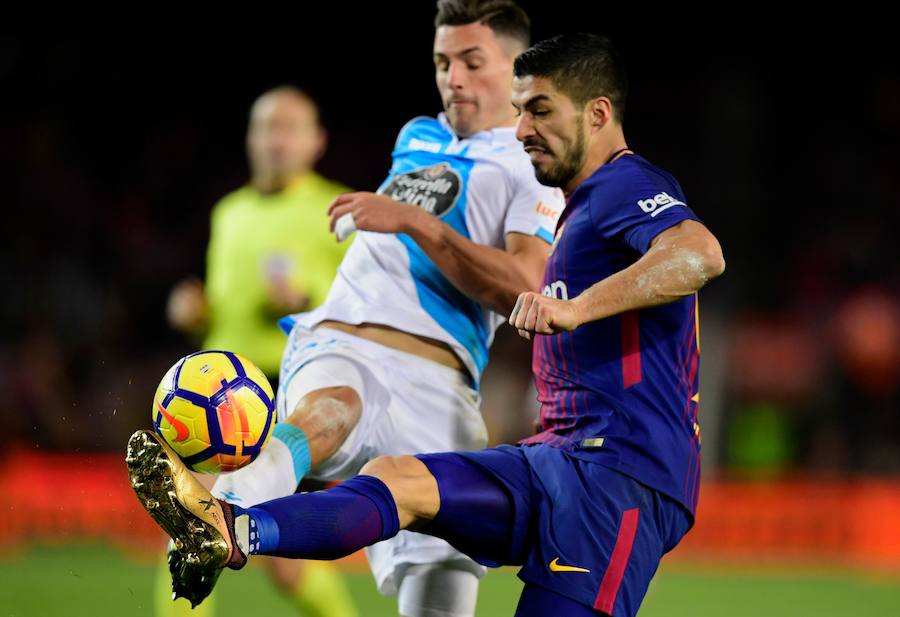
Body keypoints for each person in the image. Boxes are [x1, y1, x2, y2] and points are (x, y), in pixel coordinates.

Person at [129, 32, 726, 616]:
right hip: (556, 459)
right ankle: (233, 530)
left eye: (540, 111)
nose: (521, 130)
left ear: (598, 114)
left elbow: (700, 253)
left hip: (620, 477)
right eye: (519, 112)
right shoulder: (578, 207)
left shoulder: (626, 182)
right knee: (398, 479)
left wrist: (575, 307)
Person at [154, 2, 563, 616]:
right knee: (331, 411)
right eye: (441, 61)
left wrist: (416, 222)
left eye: (472, 62)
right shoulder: (417, 136)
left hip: (443, 388)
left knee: (441, 599)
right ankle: (218, 516)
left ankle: (225, 516)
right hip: (343, 342)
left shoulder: (532, 164)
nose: (453, 77)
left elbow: (524, 287)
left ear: (516, 70)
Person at [162, 86, 358, 617]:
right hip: (209, 392)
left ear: (316, 141)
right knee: (189, 524)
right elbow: (227, 303)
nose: (275, 140)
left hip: (281, 390)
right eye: (265, 127)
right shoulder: (230, 212)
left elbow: (364, 302)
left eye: (289, 128)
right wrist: (196, 309)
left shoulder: (339, 209)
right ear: (249, 138)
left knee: (280, 558)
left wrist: (307, 299)